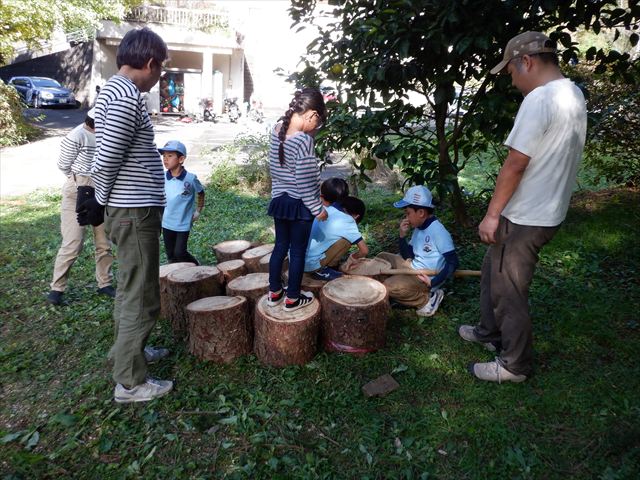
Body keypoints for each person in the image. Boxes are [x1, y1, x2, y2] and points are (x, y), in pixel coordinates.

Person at [458, 31, 587, 383]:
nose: (513, 81)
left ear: (526, 61)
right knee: (492, 271)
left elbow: (516, 162)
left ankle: (514, 365)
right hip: (548, 210)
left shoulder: (540, 99)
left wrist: (492, 214)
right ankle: (488, 331)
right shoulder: (573, 93)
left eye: (511, 72)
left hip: (526, 215)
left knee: (508, 289)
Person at [83, 27, 173, 403]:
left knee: (130, 286)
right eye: (161, 70)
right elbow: (107, 159)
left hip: (131, 209)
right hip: (133, 211)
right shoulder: (125, 98)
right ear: (150, 64)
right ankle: (131, 382)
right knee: (140, 293)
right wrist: (98, 199)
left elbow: (101, 146)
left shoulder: (113, 92)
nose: (160, 77)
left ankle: (131, 350)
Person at [267, 87, 327, 312]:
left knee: (280, 246)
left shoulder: (276, 130)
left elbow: (274, 168)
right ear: (312, 114)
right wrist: (317, 208)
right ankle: (292, 297)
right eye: (317, 123)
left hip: (280, 201)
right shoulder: (303, 140)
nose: (316, 129)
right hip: (300, 205)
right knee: (298, 251)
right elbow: (306, 180)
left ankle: (274, 291)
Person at [46, 108, 115, 306]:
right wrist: (78, 180)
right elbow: (63, 164)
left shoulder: (107, 135)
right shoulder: (76, 135)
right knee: (73, 242)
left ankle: (105, 284)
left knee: (103, 242)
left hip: (101, 190)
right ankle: (56, 289)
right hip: (76, 189)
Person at [378, 185, 459, 317]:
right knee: (382, 258)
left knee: (387, 286)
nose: (406, 217)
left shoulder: (439, 232)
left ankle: (427, 299)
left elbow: (453, 262)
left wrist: (433, 282)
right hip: (413, 267)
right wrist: (402, 236)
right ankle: (399, 285)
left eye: (408, 213)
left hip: (423, 279)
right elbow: (408, 255)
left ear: (421, 213)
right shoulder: (419, 228)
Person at [304, 178, 369, 281]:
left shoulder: (321, 209)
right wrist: (353, 257)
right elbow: (364, 251)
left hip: (296, 258)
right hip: (309, 265)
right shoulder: (348, 221)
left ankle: (326, 266)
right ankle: (321, 271)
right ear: (356, 216)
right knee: (346, 241)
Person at [159, 140, 205, 265]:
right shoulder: (162, 177)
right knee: (171, 255)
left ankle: (197, 267)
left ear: (181, 159)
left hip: (183, 223)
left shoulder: (190, 178)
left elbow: (201, 193)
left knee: (180, 252)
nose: (165, 159)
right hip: (167, 222)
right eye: (164, 156)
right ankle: (176, 277)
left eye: (169, 156)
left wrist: (198, 210)